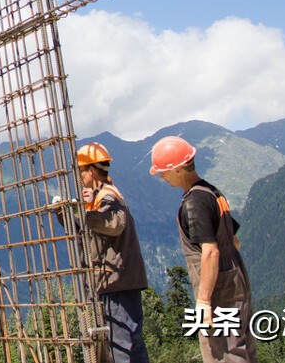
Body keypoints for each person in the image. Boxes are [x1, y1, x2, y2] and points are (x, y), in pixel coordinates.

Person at [150, 136, 257, 363]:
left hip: (218, 287)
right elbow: (234, 241)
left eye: (164, 171)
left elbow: (210, 252)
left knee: (222, 353)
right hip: (236, 276)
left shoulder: (194, 202)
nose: (161, 176)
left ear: (178, 169)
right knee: (241, 348)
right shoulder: (211, 191)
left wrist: (204, 301)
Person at [54, 143, 151, 363]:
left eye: (80, 171)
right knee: (114, 347)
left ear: (92, 170)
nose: (78, 176)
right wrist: (66, 214)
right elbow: (86, 234)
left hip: (117, 282)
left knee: (125, 347)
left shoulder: (108, 196)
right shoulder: (98, 197)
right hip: (110, 282)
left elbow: (114, 223)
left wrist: (82, 211)